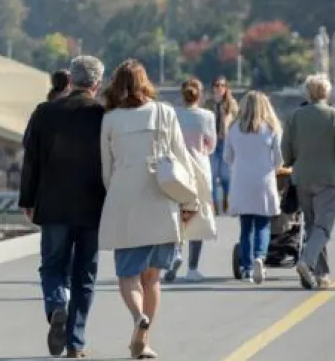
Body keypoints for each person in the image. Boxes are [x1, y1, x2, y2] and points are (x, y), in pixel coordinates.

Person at [98, 59, 198, 359]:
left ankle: (136, 318)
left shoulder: (110, 120)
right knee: (152, 278)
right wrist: (189, 201)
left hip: (126, 200)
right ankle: (145, 338)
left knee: (128, 276)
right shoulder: (165, 112)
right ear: (145, 83)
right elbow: (181, 159)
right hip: (161, 198)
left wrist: (113, 193)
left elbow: (106, 169)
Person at [19, 55, 107, 359]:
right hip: (93, 205)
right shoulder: (104, 114)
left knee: (52, 265)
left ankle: (57, 304)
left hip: (53, 203)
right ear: (96, 83)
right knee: (86, 273)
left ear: (70, 79)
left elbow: (30, 160)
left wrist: (27, 199)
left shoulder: (45, 112)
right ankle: (76, 342)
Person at [283, 74, 335, 290]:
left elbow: (286, 151)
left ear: (308, 93)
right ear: (327, 92)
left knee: (313, 226)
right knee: (324, 226)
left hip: (302, 177)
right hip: (329, 177)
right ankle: (307, 261)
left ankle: (322, 275)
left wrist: (293, 161)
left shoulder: (295, 117)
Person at [225, 91, 284, 284]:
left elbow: (228, 158)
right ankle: (260, 256)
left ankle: (247, 267)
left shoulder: (233, 129)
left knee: (245, 227)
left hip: (242, 182)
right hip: (263, 181)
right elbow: (278, 160)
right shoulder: (271, 129)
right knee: (263, 224)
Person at [165, 78, 217, 283]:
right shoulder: (207, 116)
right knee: (199, 216)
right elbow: (211, 144)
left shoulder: (173, 115)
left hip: (177, 169)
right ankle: (193, 268)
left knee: (177, 214)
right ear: (200, 94)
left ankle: (175, 253)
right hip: (200, 169)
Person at [210, 76, 239, 214]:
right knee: (212, 175)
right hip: (212, 142)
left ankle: (229, 202)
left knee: (226, 176)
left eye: (222, 85)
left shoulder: (231, 104)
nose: (219, 88)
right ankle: (214, 206)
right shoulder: (208, 103)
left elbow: (238, 121)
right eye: (216, 85)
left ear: (226, 88)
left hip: (226, 141)